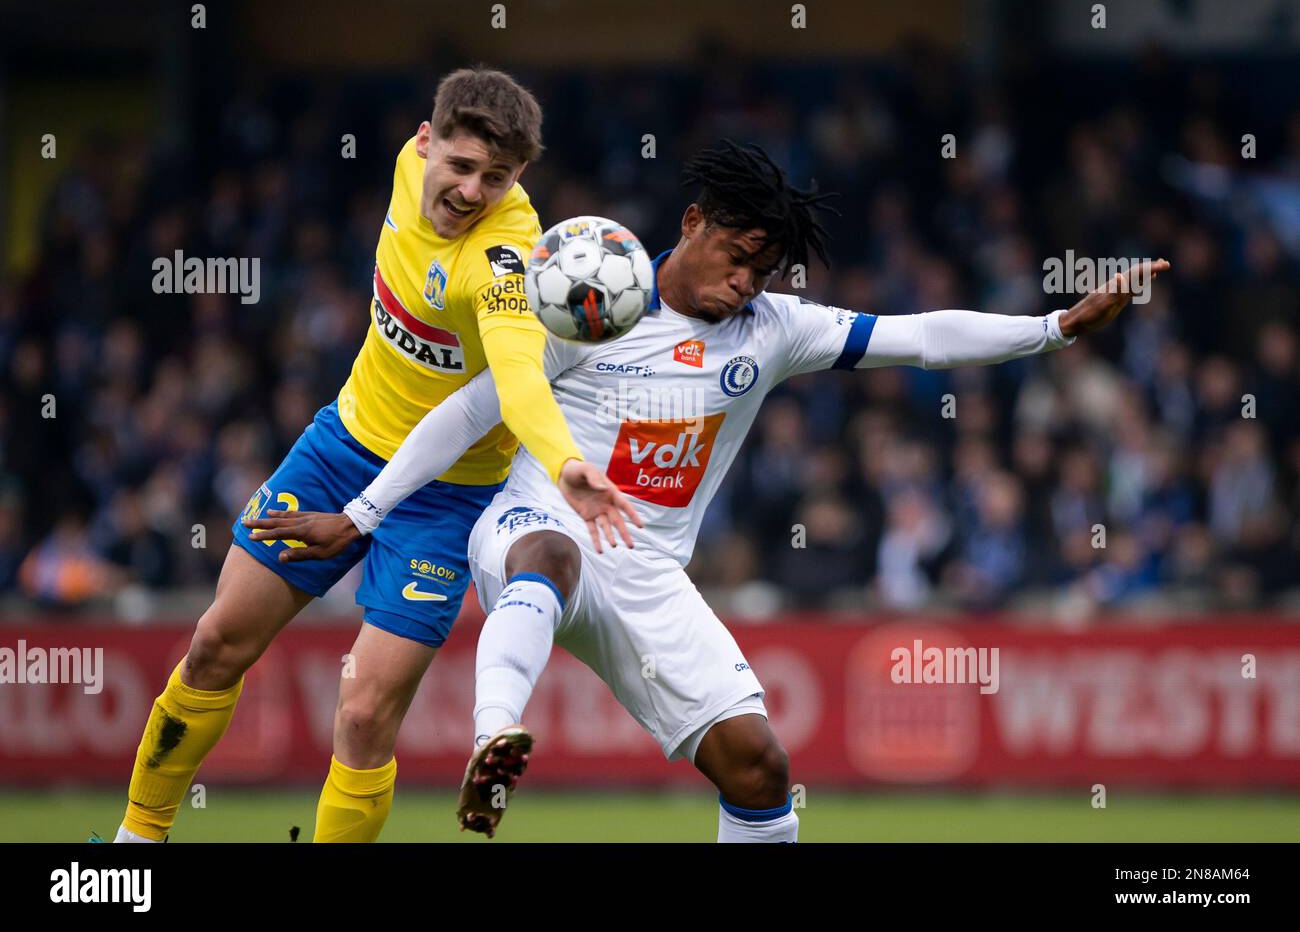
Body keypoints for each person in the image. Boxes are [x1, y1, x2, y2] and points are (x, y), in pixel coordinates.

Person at [256, 140, 1169, 842]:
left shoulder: (774, 331)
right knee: (551, 552)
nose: (746, 282)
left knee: (760, 769)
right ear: (692, 224)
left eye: (763, 271)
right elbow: (469, 413)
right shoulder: (587, 301)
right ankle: (496, 738)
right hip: (535, 522)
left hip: (648, 570)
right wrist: (365, 515)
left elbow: (920, 335)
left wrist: (1055, 327)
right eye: (736, 256)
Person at [113, 67, 638, 844]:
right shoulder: (403, 167)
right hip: (340, 447)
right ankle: (133, 846)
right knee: (217, 642)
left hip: (446, 496)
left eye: (496, 180)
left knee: (363, 712)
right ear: (425, 143)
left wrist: (564, 463)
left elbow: (520, 378)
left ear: (520, 177)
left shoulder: (504, 268)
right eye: (459, 167)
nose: (469, 192)